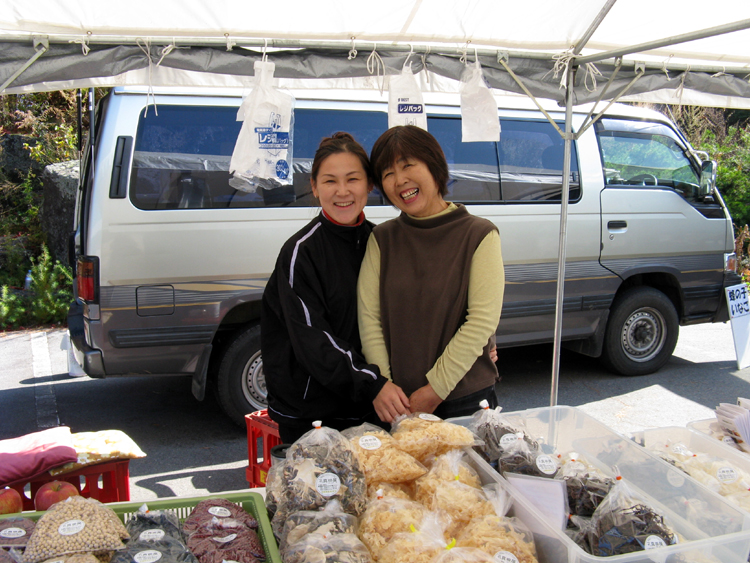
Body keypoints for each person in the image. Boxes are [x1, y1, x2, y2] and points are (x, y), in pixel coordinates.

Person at [261, 132, 410, 444]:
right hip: (313, 414)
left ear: (369, 184)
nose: (342, 191)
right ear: (314, 187)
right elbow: (312, 339)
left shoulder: (381, 241)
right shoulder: (300, 252)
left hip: (368, 405)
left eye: (352, 179)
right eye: (330, 181)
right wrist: (373, 384)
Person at [357, 125, 505, 420]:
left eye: (408, 165)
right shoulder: (382, 239)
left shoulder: (479, 234)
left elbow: (481, 321)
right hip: (397, 404)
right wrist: (385, 387)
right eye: (387, 174)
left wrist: (435, 389)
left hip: (466, 399)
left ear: (434, 165)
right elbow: (369, 319)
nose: (400, 180)